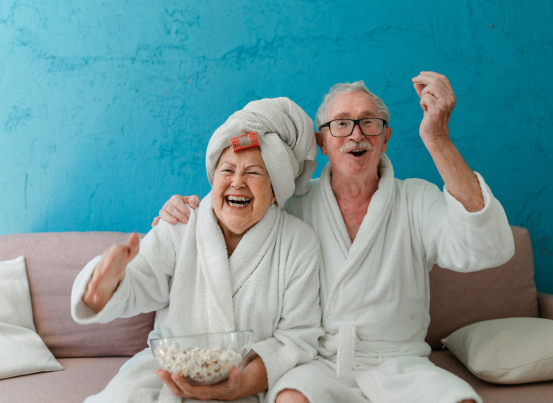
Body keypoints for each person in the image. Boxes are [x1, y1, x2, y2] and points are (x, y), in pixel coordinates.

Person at [154, 72, 515, 403]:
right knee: (291, 400)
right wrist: (182, 212)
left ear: (385, 137)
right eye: (341, 124)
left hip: (400, 365)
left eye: (368, 123)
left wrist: (437, 138)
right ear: (321, 142)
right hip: (316, 364)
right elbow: (230, 216)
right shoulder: (290, 204)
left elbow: (486, 247)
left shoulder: (416, 200)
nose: (356, 134)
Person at [71, 97, 324, 403]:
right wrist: (107, 287)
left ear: (274, 192)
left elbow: (296, 339)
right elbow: (141, 278)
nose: (237, 182)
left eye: (254, 173)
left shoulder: (298, 243)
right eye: (226, 170)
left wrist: (240, 384)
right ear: (213, 178)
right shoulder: (181, 224)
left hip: (245, 379)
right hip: (168, 369)